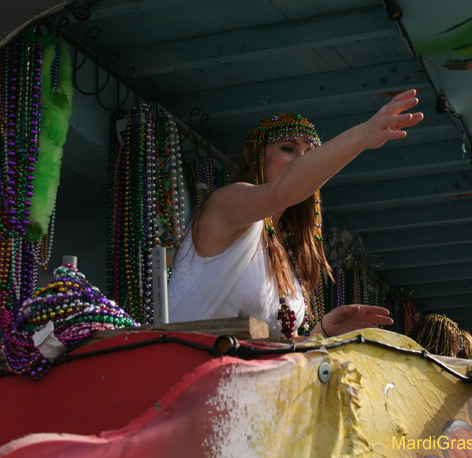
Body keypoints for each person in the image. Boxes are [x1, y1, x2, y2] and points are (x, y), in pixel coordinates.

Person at [168, 90, 424, 340]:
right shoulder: (228, 204)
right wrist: (360, 137)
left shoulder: (288, 243)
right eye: (288, 149)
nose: (300, 161)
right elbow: (281, 191)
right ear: (253, 156)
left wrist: (319, 333)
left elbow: (272, 342)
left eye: (310, 155)